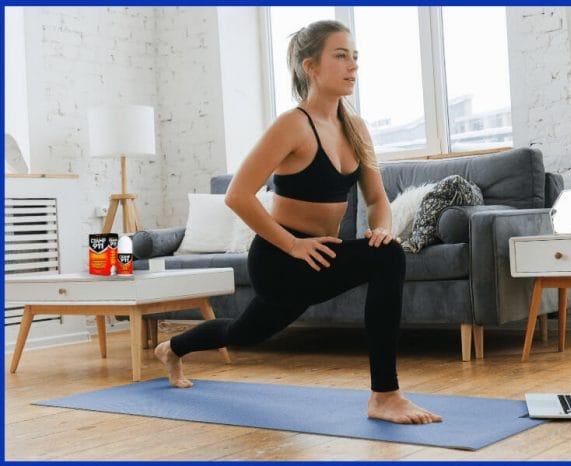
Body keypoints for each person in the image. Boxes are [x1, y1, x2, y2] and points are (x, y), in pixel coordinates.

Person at [155, 19, 442, 425]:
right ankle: (385, 395)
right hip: (281, 259)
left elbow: (377, 199)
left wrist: (382, 228)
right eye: (340, 56)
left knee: (245, 332)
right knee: (389, 259)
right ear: (311, 66)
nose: (352, 67)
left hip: (319, 257)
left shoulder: (355, 128)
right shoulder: (292, 124)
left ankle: (172, 348)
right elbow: (238, 194)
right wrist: (292, 244)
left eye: (355, 58)